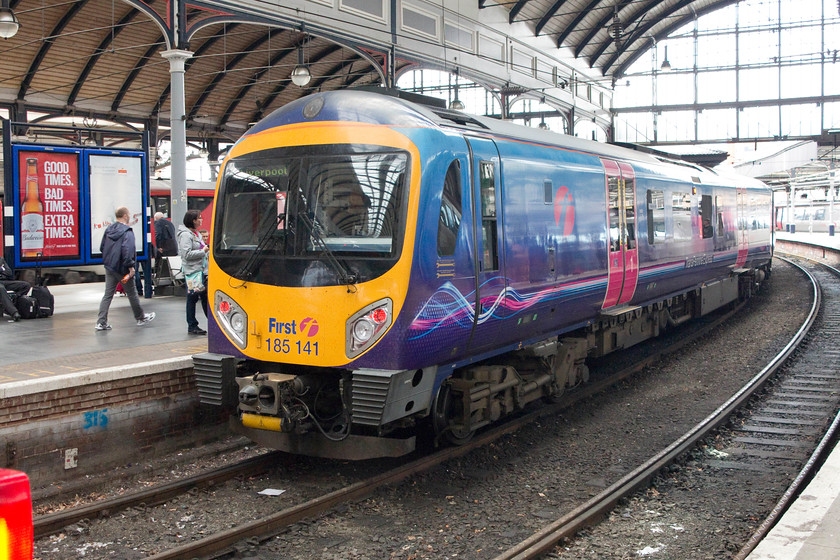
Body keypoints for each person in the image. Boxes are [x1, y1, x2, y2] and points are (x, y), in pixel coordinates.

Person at [96, 206, 155, 331]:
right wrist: (130, 266)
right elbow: (127, 250)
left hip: (110, 267)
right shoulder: (127, 231)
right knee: (132, 293)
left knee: (108, 294)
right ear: (125, 216)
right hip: (123, 268)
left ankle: (101, 322)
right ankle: (141, 318)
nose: (129, 216)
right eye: (128, 214)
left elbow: (102, 247)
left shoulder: (109, 229)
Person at [178, 209, 209, 335]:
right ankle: (192, 325)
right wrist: (204, 251)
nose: (201, 220)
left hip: (201, 271)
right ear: (193, 220)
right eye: (199, 218)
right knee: (193, 298)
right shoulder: (186, 235)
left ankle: (211, 323)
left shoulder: (196, 234)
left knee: (204, 297)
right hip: (193, 273)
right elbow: (186, 254)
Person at [0, 257, 29, 322]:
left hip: (4, 281)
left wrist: (1, 271)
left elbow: (9, 272)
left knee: (25, 285)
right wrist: (2, 270)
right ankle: (13, 312)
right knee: (1, 288)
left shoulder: (1, 259)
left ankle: (12, 304)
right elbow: (5, 272)